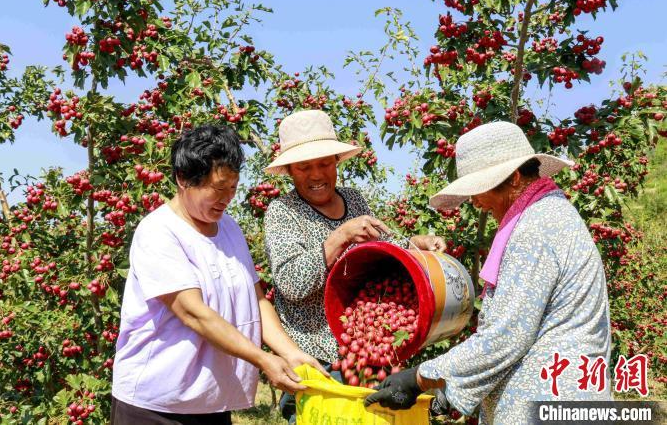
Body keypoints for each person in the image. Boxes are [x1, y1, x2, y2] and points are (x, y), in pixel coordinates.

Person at [365, 121, 612, 424]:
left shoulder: (534, 229)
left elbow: (507, 336)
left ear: (515, 178)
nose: (475, 203)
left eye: (478, 189)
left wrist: (420, 377)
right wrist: (450, 387)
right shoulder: (549, 212)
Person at [111, 124, 326, 425]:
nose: (227, 198)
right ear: (183, 179)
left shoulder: (229, 229)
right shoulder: (158, 232)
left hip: (211, 403)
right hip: (157, 405)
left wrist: (290, 352)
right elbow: (194, 313)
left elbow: (256, 299)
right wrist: (264, 360)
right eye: (218, 188)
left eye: (233, 188)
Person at [262, 109, 445, 423]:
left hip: (369, 354)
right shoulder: (283, 212)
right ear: (291, 171)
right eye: (304, 167)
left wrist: (415, 244)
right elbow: (291, 283)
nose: (317, 175)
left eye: (324, 163)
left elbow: (379, 253)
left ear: (337, 162)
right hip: (315, 368)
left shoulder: (354, 200)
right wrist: (339, 237)